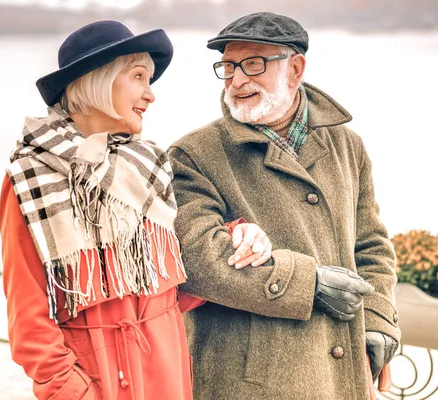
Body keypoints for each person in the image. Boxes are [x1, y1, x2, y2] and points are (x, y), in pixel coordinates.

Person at [0, 20, 271, 400]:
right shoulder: (30, 178)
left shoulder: (148, 166)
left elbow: (170, 286)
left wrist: (236, 238)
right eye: (139, 77)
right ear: (97, 80)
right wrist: (75, 392)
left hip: (167, 373)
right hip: (98, 382)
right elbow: (29, 323)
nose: (150, 94)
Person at [168, 12, 401, 400]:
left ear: (295, 68)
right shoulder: (192, 154)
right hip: (246, 387)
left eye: (253, 64)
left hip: (343, 378)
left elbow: (372, 246)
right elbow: (195, 260)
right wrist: (308, 282)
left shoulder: (348, 146)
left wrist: (377, 319)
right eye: (227, 66)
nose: (237, 79)